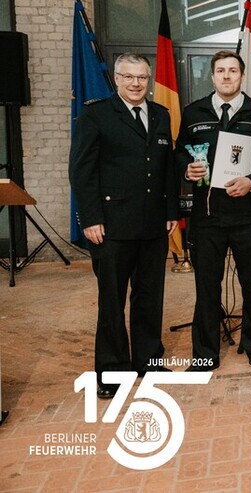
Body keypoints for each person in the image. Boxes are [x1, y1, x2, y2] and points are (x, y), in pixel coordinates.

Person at [68, 53, 179, 398]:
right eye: (128, 77)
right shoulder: (96, 115)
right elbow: (81, 171)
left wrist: (171, 210)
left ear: (148, 80)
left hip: (153, 225)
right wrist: (90, 219)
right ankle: (112, 370)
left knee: (149, 297)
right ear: (116, 79)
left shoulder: (160, 115)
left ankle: (148, 359)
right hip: (111, 227)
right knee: (112, 301)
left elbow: (167, 168)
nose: (136, 83)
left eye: (142, 78)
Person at [175, 50, 251, 376]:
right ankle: (204, 355)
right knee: (207, 289)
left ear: (242, 76)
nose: (227, 76)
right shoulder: (193, 113)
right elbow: (178, 154)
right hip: (207, 218)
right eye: (221, 71)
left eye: (233, 70)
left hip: (249, 216)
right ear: (213, 76)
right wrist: (187, 169)